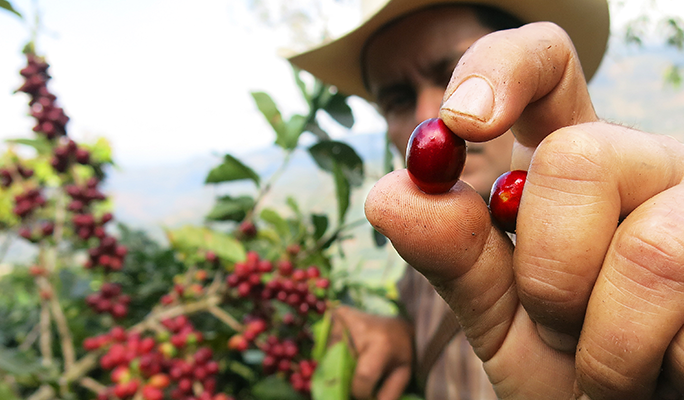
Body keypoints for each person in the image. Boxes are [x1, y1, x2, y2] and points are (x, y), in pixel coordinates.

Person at [290, 1, 684, 399]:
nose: (430, 116)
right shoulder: (421, 269)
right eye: (397, 98)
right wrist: (401, 338)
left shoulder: (621, 241)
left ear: (530, 87)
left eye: (455, 78)